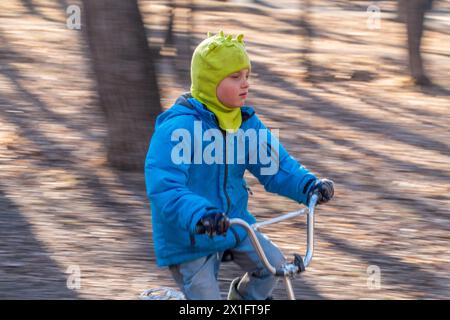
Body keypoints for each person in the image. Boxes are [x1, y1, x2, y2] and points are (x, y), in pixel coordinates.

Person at [145, 31, 334, 300]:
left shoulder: (245, 123)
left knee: (275, 268)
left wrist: (308, 186)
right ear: (210, 82)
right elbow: (165, 187)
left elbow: (277, 166)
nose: (245, 84)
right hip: (191, 235)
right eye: (235, 77)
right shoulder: (178, 128)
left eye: (247, 76)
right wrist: (200, 215)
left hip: (235, 225)